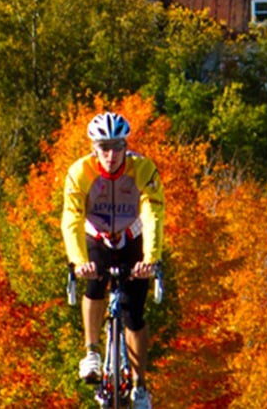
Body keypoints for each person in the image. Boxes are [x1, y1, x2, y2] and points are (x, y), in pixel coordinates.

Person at [63, 112, 165, 409]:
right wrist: (78, 260)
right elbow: (71, 217)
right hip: (96, 237)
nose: (111, 154)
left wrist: (151, 258)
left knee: (134, 315)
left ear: (126, 146)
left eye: (117, 146)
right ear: (93, 147)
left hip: (133, 238)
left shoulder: (143, 169)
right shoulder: (79, 172)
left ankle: (140, 385)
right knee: (94, 283)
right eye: (103, 147)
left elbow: (153, 215)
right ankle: (92, 351)